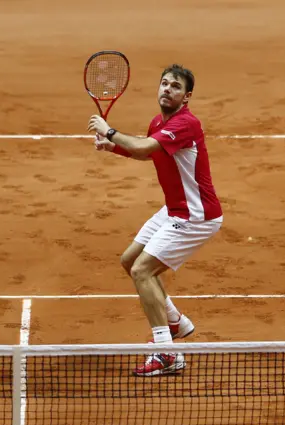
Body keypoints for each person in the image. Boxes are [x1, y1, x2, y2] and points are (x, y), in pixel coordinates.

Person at [87, 64, 223, 376]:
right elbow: (147, 153)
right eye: (164, 84)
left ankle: (166, 352)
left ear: (186, 96)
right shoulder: (159, 122)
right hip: (174, 209)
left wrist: (109, 130)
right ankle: (175, 320)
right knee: (129, 260)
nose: (167, 89)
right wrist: (113, 147)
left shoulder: (187, 123)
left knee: (142, 271)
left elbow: (146, 145)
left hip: (196, 215)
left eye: (175, 86)